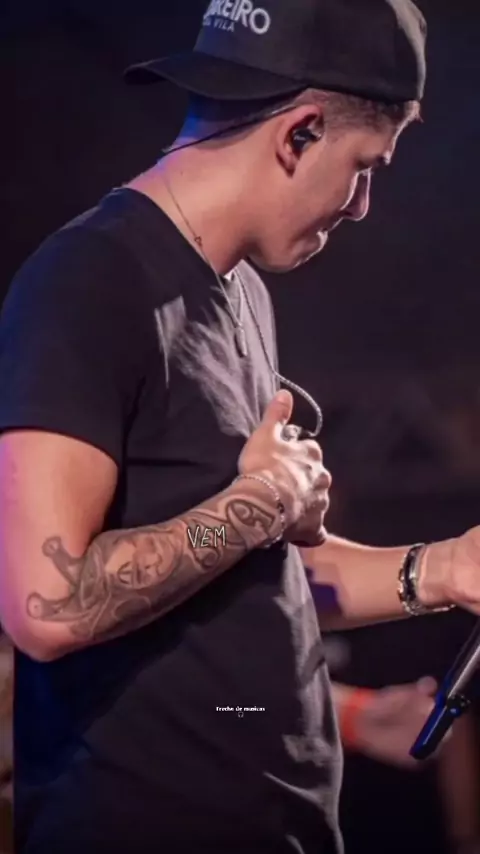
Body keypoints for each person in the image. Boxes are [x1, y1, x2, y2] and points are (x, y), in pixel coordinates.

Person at [1, 1, 480, 852]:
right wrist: (261, 502)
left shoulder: (241, 292)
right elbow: (49, 601)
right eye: (364, 166)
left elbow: (252, 575)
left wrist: (443, 569)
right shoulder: (90, 281)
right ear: (300, 132)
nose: (362, 205)